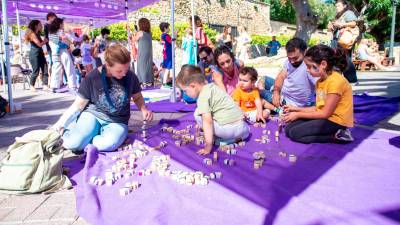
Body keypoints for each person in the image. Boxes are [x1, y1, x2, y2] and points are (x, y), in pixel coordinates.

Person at [52, 44, 153, 152]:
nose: (124, 74)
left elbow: (137, 97)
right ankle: (72, 132)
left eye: (126, 69)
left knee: (108, 145)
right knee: (74, 144)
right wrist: (59, 125)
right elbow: (78, 106)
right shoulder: (92, 77)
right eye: (119, 71)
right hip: (93, 114)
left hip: (117, 120)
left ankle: (87, 138)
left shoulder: (131, 76)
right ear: (107, 65)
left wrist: (143, 109)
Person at [283, 45, 354, 144]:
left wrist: (298, 114)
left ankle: (338, 135)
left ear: (323, 64)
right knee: (288, 129)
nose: (307, 70)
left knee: (295, 134)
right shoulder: (319, 82)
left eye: (310, 66)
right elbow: (318, 108)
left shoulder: (336, 81)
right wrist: (295, 109)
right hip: (325, 117)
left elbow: (325, 113)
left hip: (336, 121)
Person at [177, 65, 249, 155]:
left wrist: (208, 146)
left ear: (193, 86)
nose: (186, 93)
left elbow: (208, 121)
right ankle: (235, 138)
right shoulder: (212, 86)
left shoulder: (202, 97)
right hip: (243, 128)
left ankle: (223, 138)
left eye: (185, 90)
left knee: (197, 114)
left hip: (228, 131)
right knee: (242, 129)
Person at [270, 38, 319, 108]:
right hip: (282, 94)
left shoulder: (309, 67)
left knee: (257, 94)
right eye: (289, 58)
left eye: (295, 58)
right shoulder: (288, 62)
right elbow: (281, 77)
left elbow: (321, 86)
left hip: (290, 103)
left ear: (305, 52)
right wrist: (276, 93)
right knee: (263, 81)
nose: (292, 61)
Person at [328, 0, 358, 83]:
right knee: (336, 60)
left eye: (339, 6)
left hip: (343, 40)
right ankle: (338, 79)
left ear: (344, 6)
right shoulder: (338, 15)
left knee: (346, 59)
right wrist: (331, 27)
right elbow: (335, 28)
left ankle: (352, 80)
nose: (337, 7)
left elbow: (354, 23)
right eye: (336, 6)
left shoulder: (348, 13)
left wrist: (341, 25)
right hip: (336, 40)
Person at [48, 18, 77, 91]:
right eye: (62, 24)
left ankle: (54, 86)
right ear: (59, 24)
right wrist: (71, 43)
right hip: (62, 51)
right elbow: (64, 39)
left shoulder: (51, 33)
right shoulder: (60, 32)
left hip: (54, 53)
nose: (63, 25)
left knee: (56, 68)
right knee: (69, 67)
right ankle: (72, 85)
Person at [24, 20, 50, 91]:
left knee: (45, 68)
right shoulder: (32, 34)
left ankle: (45, 85)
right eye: (40, 24)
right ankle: (32, 85)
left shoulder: (37, 33)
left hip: (40, 53)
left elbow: (41, 43)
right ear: (36, 26)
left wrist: (44, 40)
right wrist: (45, 40)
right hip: (34, 54)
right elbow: (39, 44)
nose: (41, 26)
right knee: (36, 71)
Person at [134, 18, 154, 86]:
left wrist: (135, 33)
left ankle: (143, 81)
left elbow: (134, 40)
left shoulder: (140, 33)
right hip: (149, 52)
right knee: (148, 65)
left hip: (142, 52)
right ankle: (149, 80)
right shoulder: (150, 33)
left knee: (141, 65)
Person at [160, 22, 172, 87]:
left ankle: (168, 81)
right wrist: (175, 34)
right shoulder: (166, 36)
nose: (169, 29)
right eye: (168, 27)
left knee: (167, 68)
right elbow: (172, 42)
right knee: (167, 68)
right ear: (165, 28)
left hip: (165, 54)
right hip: (168, 54)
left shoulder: (162, 35)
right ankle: (165, 82)